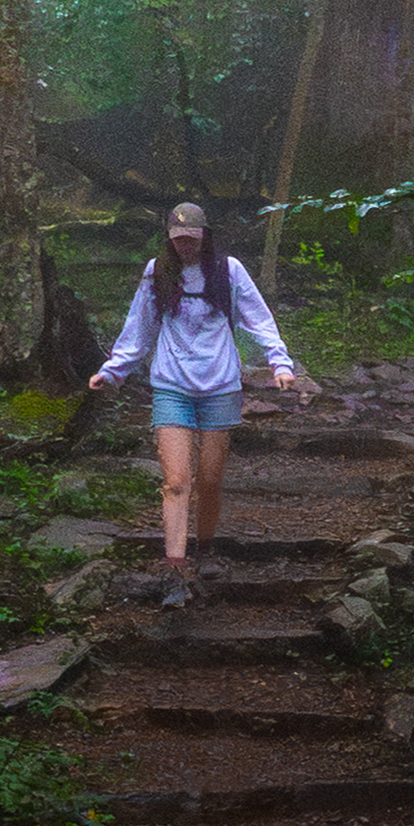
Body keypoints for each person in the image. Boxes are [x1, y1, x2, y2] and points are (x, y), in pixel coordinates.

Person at [86, 199, 309, 601]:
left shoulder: (228, 270)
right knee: (176, 482)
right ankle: (175, 567)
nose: (185, 245)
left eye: (191, 238)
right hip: (172, 385)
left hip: (220, 386)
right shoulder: (157, 272)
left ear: (205, 236)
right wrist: (114, 370)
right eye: (178, 238)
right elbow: (140, 327)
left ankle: (205, 549)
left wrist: (279, 363)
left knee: (209, 481)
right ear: (169, 238)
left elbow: (258, 318)